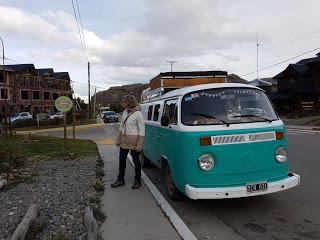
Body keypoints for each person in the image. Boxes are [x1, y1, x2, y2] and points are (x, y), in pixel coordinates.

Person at [111, 95, 145, 189]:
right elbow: (121, 127)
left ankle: (137, 180)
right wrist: (118, 139)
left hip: (134, 141)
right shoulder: (125, 112)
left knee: (136, 161)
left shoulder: (138, 114)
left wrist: (139, 145)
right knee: (122, 160)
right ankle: (120, 179)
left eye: (124, 101)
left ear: (129, 102)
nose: (122, 102)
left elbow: (142, 131)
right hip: (124, 140)